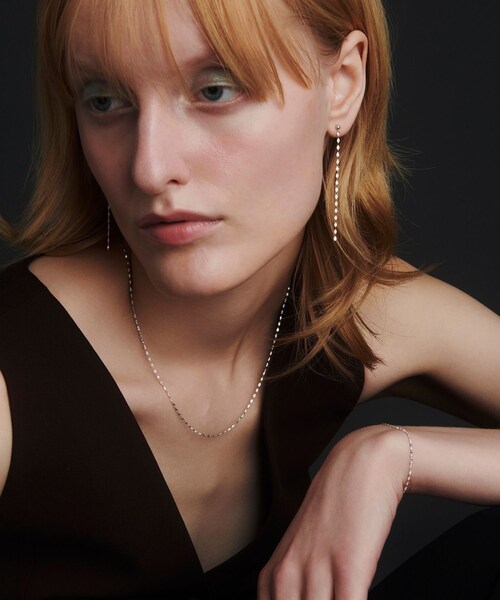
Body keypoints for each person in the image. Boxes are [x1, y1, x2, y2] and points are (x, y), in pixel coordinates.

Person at [0, 0, 499, 598]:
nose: (149, 169)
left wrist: (391, 455)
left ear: (342, 86)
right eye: (104, 101)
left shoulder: (350, 313)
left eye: (215, 90)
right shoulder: (12, 382)